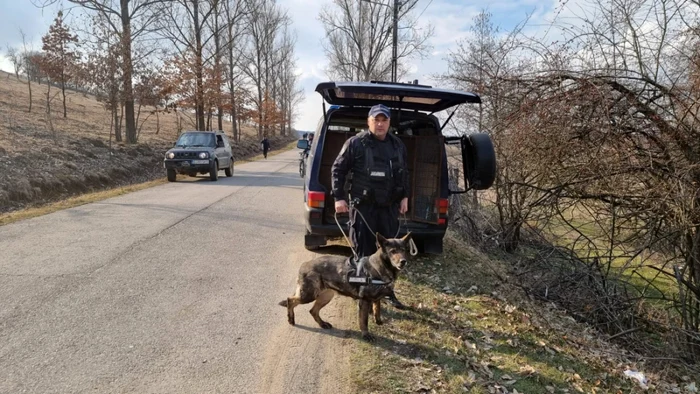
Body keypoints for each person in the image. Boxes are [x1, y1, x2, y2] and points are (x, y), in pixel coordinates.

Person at [331, 104, 410, 309]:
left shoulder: (397, 145)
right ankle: (363, 295)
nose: (380, 124)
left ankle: (388, 293)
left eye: (384, 120)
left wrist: (405, 197)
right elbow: (337, 170)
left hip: (388, 208)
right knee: (364, 255)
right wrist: (339, 198)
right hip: (363, 208)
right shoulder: (355, 143)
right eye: (376, 120)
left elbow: (404, 174)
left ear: (389, 123)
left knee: (390, 255)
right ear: (369, 122)